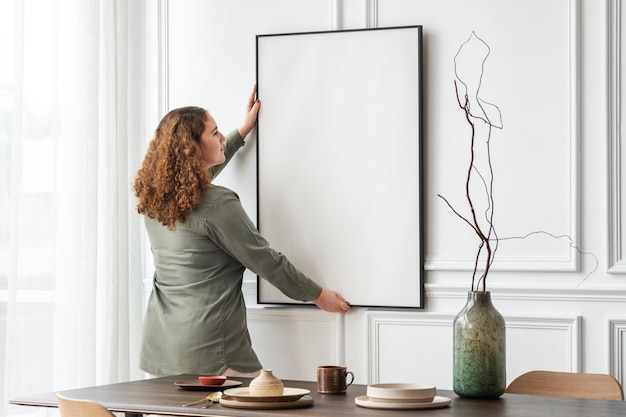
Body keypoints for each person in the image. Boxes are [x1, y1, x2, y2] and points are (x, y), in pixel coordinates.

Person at [133, 86, 351, 378]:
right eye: (215, 133)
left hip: (161, 349)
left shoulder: (156, 200)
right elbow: (266, 261)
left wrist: (243, 130)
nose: (222, 137)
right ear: (193, 148)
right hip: (210, 352)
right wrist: (317, 294)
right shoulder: (218, 204)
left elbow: (195, 186)